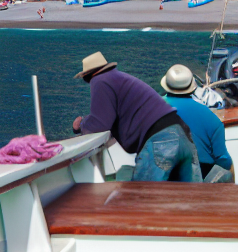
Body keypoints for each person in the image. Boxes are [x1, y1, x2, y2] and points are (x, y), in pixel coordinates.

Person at [71, 52, 200, 181]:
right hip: (182, 132)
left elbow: (100, 124)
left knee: (142, 197)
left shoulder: (100, 80)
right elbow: (108, 113)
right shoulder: (118, 77)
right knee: (190, 196)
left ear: (87, 76)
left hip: (160, 139)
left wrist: (81, 125)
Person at [160, 64, 234, 183]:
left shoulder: (151, 110)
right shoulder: (210, 117)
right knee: (229, 168)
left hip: (162, 174)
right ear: (193, 87)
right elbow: (223, 160)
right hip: (198, 178)